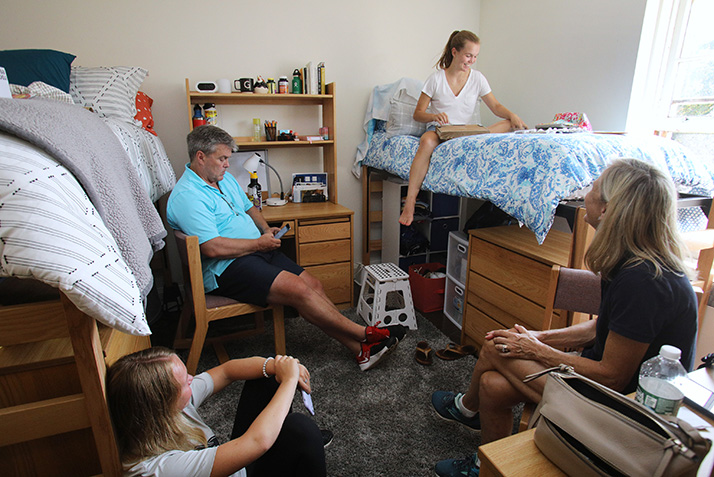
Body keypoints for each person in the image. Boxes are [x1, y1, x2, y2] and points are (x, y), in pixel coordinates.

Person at [429, 158, 698, 476]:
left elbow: (611, 376)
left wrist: (533, 349)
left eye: (594, 187)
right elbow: (601, 328)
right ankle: (484, 463)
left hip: (621, 413)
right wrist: (537, 338)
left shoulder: (644, 282)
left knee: (495, 348)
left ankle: (466, 409)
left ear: (609, 210)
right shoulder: (632, 262)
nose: (588, 191)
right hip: (602, 386)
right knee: (492, 384)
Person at [167, 125, 406, 371]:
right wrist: (257, 244)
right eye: (222, 158)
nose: (228, 164)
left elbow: (250, 208)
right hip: (225, 267)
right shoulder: (188, 196)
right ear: (200, 157)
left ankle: (361, 351)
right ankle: (366, 334)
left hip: (255, 251)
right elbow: (212, 248)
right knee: (299, 291)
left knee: (313, 284)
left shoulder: (222, 179)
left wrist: (264, 230)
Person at [107, 347, 326, 477]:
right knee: (302, 431)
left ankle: (300, 450)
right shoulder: (160, 469)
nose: (192, 380)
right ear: (160, 404)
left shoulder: (170, 409)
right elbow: (258, 442)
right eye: (184, 383)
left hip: (233, 464)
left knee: (265, 378)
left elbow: (227, 371)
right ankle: (303, 449)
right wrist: (289, 378)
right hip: (248, 453)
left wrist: (275, 365)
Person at [399, 30, 527, 226]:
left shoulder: (478, 78)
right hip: (441, 131)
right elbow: (418, 113)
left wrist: (512, 115)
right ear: (454, 52)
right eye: (468, 55)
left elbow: (495, 106)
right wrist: (434, 116)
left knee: (509, 124)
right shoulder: (436, 79)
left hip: (467, 133)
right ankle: (410, 203)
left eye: (475, 56)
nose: (472, 60)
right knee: (426, 141)